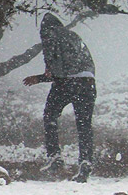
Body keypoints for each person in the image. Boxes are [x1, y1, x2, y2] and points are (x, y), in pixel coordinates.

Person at [23, 14, 97, 183]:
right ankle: (85, 162)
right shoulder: (74, 37)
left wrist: (41, 77)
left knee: (50, 116)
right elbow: (78, 65)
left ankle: (54, 157)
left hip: (66, 83)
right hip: (87, 82)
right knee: (84, 125)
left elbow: (57, 71)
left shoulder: (50, 36)